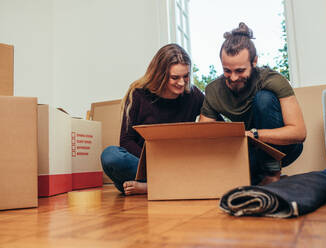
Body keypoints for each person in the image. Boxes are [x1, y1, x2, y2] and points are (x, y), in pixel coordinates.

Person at [199, 23, 306, 185]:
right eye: (227, 70)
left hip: (283, 148)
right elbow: (204, 136)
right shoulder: (214, 91)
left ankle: (272, 174)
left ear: (254, 62)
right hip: (249, 150)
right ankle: (261, 178)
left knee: (264, 98)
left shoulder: (273, 80)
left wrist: (253, 134)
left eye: (240, 71)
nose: (233, 77)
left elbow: (299, 133)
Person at [101, 43, 204, 195]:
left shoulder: (193, 95)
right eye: (175, 77)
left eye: (186, 76)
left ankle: (152, 188)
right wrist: (157, 162)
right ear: (160, 75)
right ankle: (164, 185)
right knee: (111, 155)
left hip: (179, 165)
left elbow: (217, 124)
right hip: (145, 167)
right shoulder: (137, 95)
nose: (182, 83)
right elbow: (126, 141)